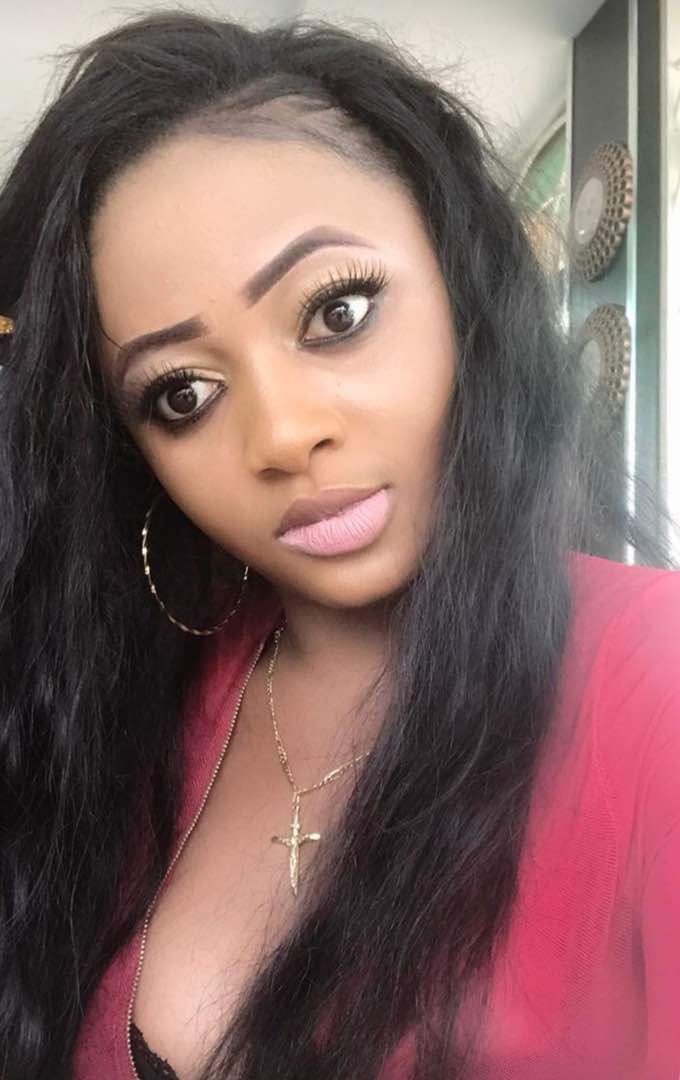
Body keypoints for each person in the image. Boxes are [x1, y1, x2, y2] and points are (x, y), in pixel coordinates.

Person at [0, 9, 678, 1080]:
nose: (280, 435)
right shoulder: (135, 709)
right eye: (182, 394)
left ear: (463, 287)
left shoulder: (654, 679)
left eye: (337, 312)